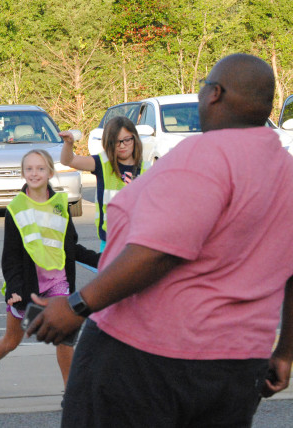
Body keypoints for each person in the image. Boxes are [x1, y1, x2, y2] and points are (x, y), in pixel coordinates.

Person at [26, 53, 293, 427]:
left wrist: (76, 306)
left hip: (146, 361)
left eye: (203, 88)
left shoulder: (204, 156)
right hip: (237, 367)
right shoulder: (286, 170)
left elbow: (158, 252)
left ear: (214, 94)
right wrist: (285, 351)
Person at [0, 149, 99, 396]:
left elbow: (71, 246)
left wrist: (101, 260)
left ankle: (69, 393)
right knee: (12, 341)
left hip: (58, 283)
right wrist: (15, 289)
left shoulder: (61, 204)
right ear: (23, 173)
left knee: (64, 336)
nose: (35, 173)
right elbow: (11, 257)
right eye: (29, 168)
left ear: (50, 172)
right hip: (27, 287)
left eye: (40, 168)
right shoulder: (16, 209)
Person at [60, 116, 146, 251]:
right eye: (116, 142)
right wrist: (68, 144)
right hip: (111, 241)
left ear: (135, 139)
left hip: (139, 241)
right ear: (108, 143)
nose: (122, 145)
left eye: (127, 140)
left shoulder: (147, 167)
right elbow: (68, 161)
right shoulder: (102, 163)